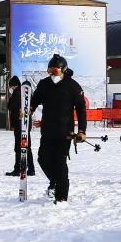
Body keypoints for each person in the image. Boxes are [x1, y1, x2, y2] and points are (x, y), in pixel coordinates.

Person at [29, 54, 87, 202]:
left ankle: (61, 198)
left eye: (55, 71)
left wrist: (82, 131)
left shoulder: (73, 86)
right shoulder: (44, 84)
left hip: (65, 133)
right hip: (47, 131)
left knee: (60, 163)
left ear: (64, 70)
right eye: (50, 71)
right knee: (43, 159)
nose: (52, 74)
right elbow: (34, 101)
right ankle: (55, 182)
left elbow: (81, 109)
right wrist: (28, 110)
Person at [5, 76, 35, 176]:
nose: (11, 88)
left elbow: (11, 106)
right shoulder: (27, 92)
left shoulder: (17, 92)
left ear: (14, 85)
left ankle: (18, 169)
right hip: (26, 123)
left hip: (19, 124)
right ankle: (31, 169)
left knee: (19, 147)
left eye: (11, 86)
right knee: (27, 146)